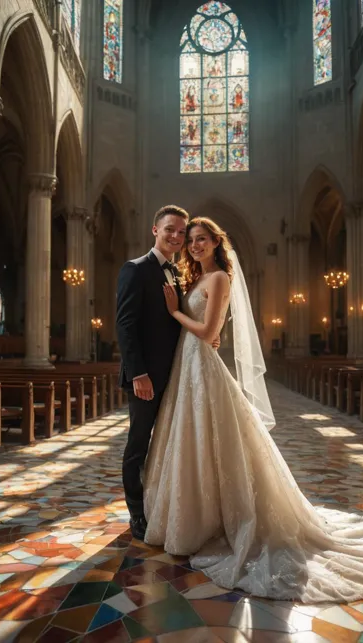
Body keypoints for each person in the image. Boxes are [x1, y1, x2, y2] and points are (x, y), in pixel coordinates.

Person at [142, 216, 363, 603]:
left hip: (201, 365)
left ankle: (216, 521)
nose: (195, 246)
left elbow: (207, 332)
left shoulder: (220, 277)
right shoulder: (197, 279)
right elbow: (206, 330)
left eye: (202, 239)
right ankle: (188, 519)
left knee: (213, 441)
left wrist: (175, 312)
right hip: (185, 366)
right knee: (191, 442)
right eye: (191, 241)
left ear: (216, 243)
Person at [116, 205, 219, 540]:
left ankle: (161, 507)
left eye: (181, 233)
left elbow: (183, 322)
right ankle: (136, 514)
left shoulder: (178, 275)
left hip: (178, 376)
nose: (176, 237)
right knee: (138, 446)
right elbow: (126, 327)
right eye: (170, 230)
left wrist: (210, 335)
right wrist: (138, 375)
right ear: (154, 230)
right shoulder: (135, 270)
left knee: (168, 444)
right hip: (146, 378)